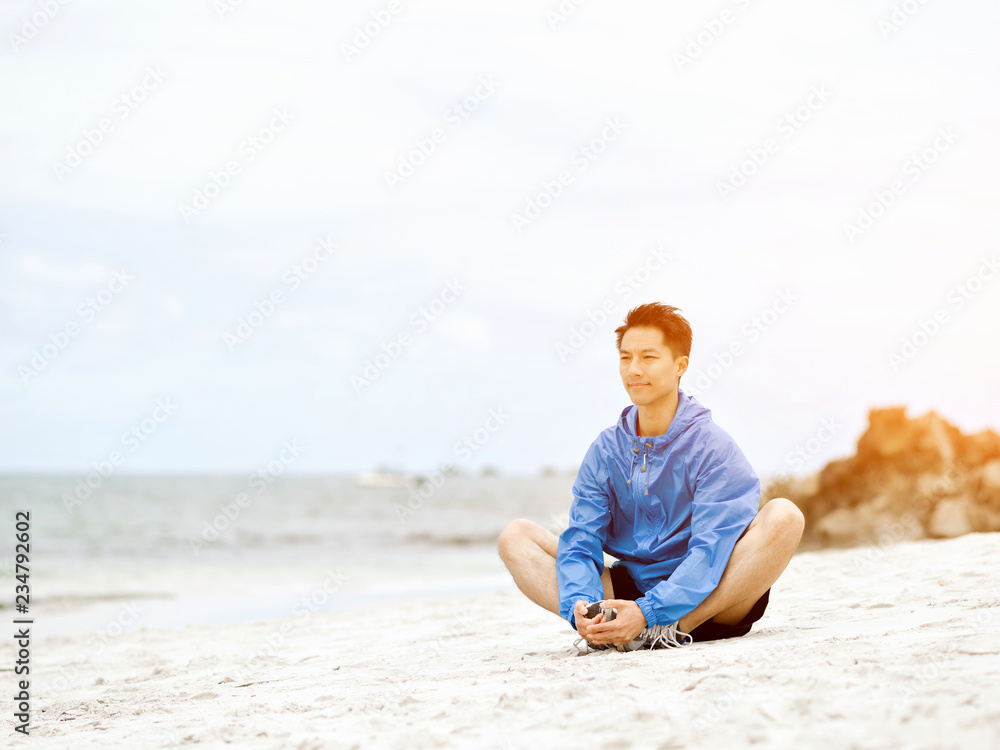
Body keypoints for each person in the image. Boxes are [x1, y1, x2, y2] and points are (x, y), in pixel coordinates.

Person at [497, 303, 804, 651]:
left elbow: (710, 552)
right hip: (631, 593)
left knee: (784, 516)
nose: (634, 370)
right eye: (626, 358)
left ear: (680, 366)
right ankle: (603, 628)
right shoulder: (606, 449)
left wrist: (650, 612)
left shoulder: (713, 448)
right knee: (516, 536)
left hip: (711, 603)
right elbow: (582, 541)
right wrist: (580, 604)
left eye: (648, 357)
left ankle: (668, 630)